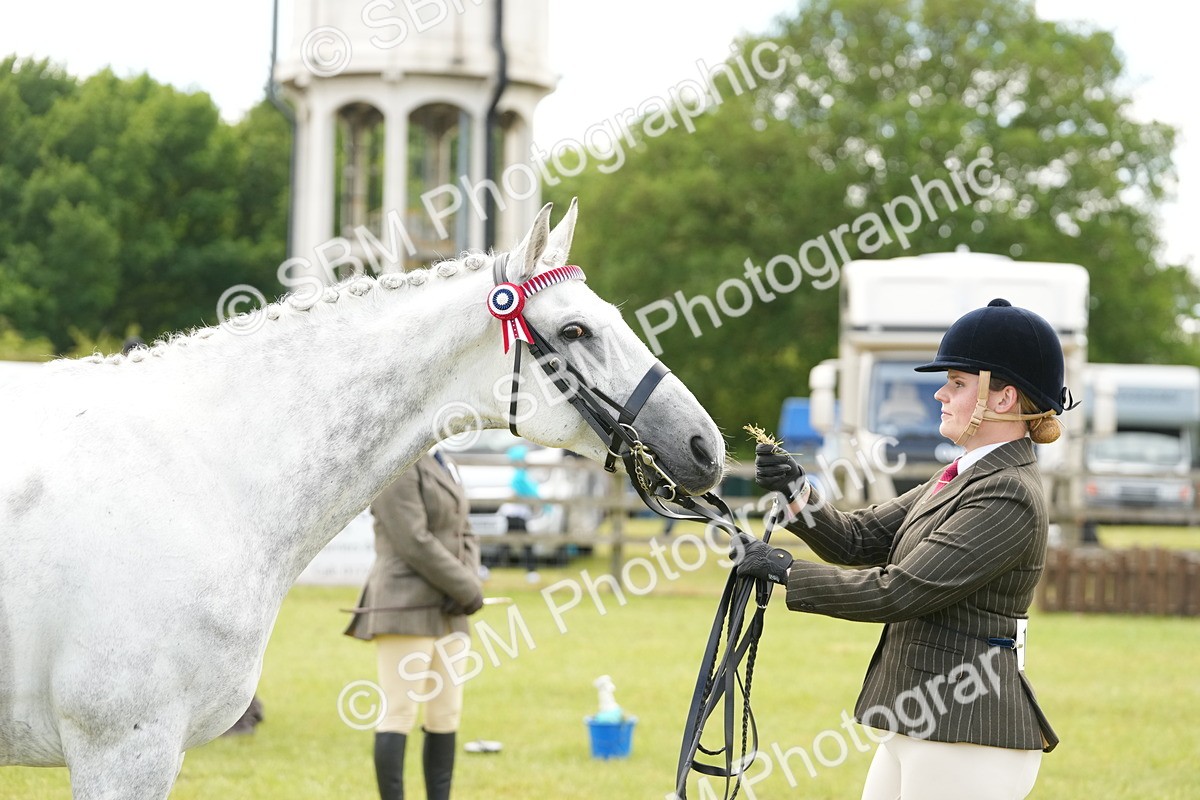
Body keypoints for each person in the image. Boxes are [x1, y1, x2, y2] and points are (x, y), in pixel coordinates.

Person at [735, 299, 1070, 800]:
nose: (940, 393)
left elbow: (901, 592)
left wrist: (786, 572)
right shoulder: (964, 474)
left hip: (967, 728)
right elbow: (859, 538)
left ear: (1002, 400)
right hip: (919, 717)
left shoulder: (1008, 492)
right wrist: (797, 493)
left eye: (957, 383)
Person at [345, 448, 484, 800]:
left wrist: (467, 583)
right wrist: (465, 586)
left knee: (446, 714)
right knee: (399, 712)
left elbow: (464, 530)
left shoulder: (444, 460)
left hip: (451, 607)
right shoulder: (395, 463)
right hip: (406, 603)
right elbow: (413, 540)